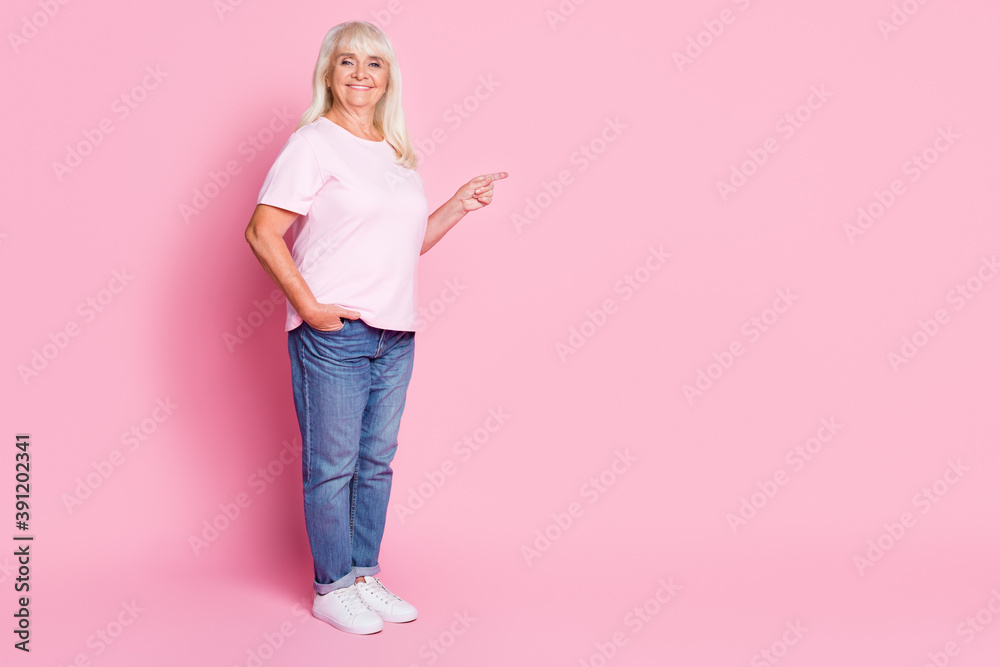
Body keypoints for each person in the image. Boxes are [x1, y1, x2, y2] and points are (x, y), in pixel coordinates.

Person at [244, 20, 507, 635]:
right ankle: (331, 586)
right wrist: (309, 308)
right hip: (336, 336)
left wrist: (458, 206)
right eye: (347, 62)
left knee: (376, 463)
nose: (361, 74)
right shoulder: (313, 144)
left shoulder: (394, 153)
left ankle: (364, 575)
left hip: (396, 336)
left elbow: (401, 246)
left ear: (388, 77)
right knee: (332, 466)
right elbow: (262, 230)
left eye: (374, 63)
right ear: (328, 73)